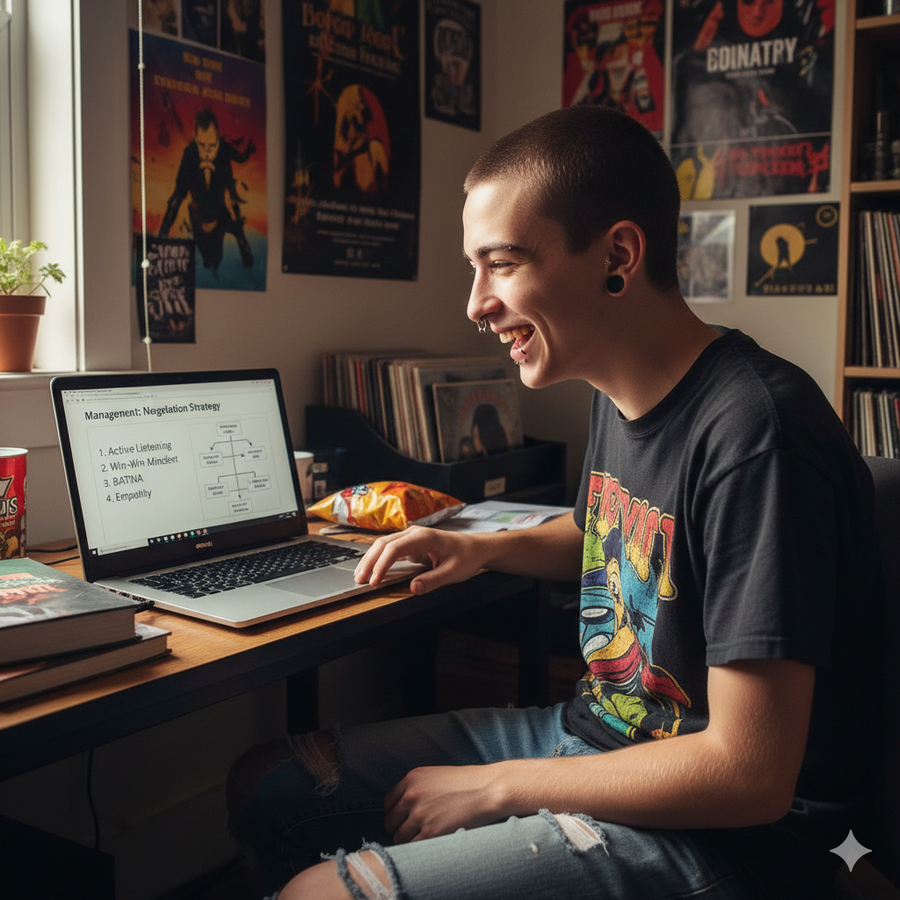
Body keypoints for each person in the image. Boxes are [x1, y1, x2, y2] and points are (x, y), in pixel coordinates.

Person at [226, 105, 880, 900]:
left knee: (313, 896)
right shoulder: (619, 383)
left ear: (618, 257)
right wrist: (483, 547)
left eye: (500, 264)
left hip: (733, 838)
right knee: (267, 785)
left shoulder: (757, 436)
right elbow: (605, 530)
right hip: (596, 741)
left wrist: (502, 787)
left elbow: (749, 775)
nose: (474, 303)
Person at [159, 108, 255, 276]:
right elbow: (177, 196)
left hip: (221, 213)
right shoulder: (190, 155)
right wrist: (161, 237)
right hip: (199, 216)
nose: (208, 151)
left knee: (216, 256)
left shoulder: (225, 150)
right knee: (206, 258)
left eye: (212, 145)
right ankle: (211, 262)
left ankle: (230, 255)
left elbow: (241, 158)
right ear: (196, 140)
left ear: (218, 138)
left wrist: (244, 248)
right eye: (202, 145)